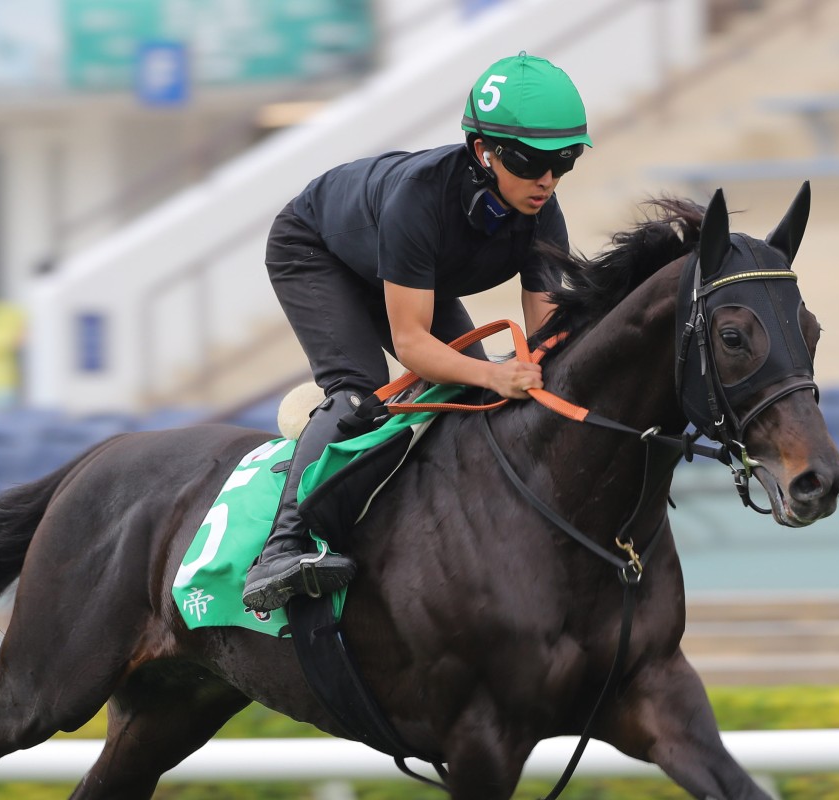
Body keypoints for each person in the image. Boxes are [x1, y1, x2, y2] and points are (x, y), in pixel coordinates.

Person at [242, 52, 593, 613]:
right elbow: (412, 345)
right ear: (485, 152)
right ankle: (282, 546)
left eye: (565, 161)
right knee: (360, 391)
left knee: (469, 390)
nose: (547, 180)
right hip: (315, 250)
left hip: (400, 267)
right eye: (531, 161)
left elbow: (549, 334)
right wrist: (496, 372)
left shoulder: (542, 213)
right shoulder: (420, 196)